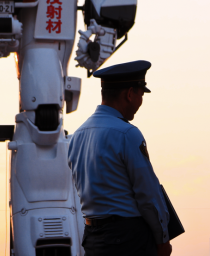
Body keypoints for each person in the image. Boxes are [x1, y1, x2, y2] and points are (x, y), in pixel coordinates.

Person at [68, 60, 172, 256]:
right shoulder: (127, 134)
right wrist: (163, 239)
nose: (140, 102)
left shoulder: (77, 136)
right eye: (141, 95)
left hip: (93, 239)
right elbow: (148, 196)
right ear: (130, 93)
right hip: (128, 240)